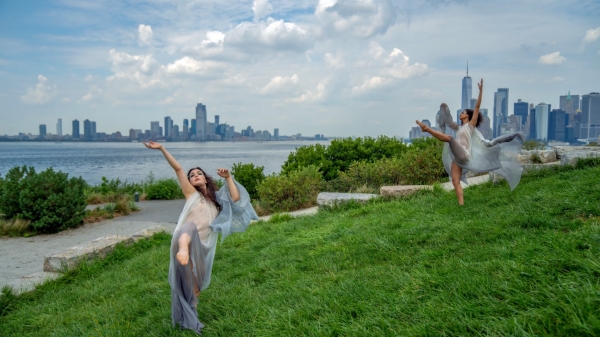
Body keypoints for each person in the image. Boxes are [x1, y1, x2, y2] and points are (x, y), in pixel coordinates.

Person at [143, 141, 259, 334]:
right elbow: (178, 168)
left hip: (202, 248)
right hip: (185, 243)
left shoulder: (217, 201)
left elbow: (236, 198)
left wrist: (228, 177)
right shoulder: (191, 195)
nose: (195, 176)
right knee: (189, 227)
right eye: (192, 175)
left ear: (206, 179)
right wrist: (162, 148)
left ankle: (190, 320)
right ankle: (182, 248)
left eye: (199, 173)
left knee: (195, 289)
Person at [416, 79, 524, 205]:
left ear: (467, 116)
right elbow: (448, 120)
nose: (461, 113)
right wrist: (443, 108)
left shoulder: (470, 126)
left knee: (450, 139)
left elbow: (477, 107)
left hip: (464, 155)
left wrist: (481, 91)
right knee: (455, 182)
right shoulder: (459, 128)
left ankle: (427, 129)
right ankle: (461, 205)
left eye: (462, 113)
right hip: (457, 158)